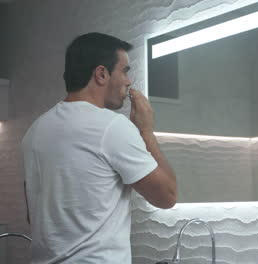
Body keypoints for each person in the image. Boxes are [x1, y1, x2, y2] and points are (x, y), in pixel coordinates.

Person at [22, 32, 177, 264]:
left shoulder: (35, 131)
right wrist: (146, 132)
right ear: (101, 74)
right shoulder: (112, 127)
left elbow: (32, 215)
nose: (129, 81)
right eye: (125, 71)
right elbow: (167, 196)